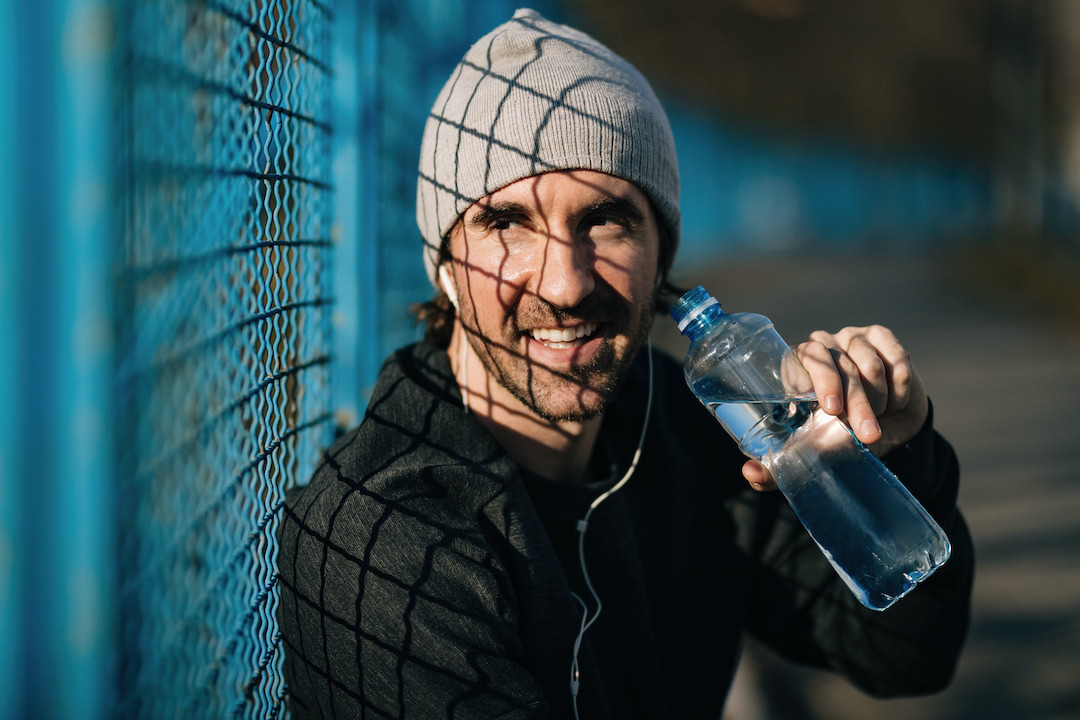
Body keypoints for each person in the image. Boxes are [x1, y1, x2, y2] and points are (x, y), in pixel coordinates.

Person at [277, 9, 974, 719]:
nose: (565, 285)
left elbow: (902, 657)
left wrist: (898, 460)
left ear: (661, 257)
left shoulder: (679, 426)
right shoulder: (377, 540)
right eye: (507, 223)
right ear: (447, 269)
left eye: (605, 220)